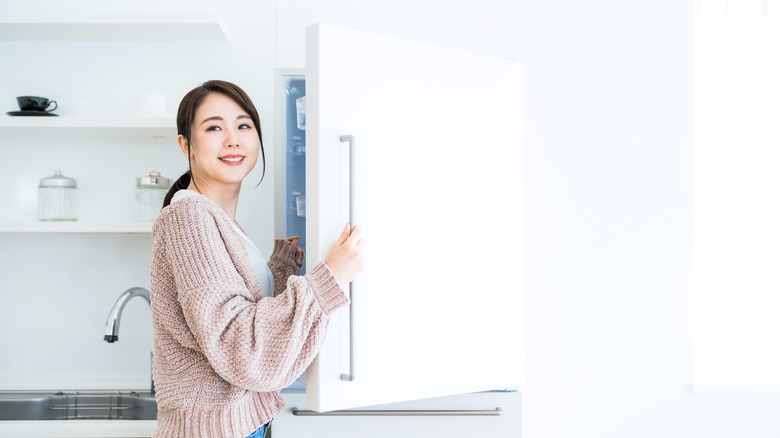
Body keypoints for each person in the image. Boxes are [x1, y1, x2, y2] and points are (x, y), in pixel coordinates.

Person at [149, 80, 364, 438]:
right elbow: (238, 343)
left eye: (244, 126)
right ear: (185, 144)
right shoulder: (189, 218)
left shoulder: (220, 222)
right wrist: (331, 278)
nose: (232, 139)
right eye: (214, 127)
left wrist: (279, 267)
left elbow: (239, 312)